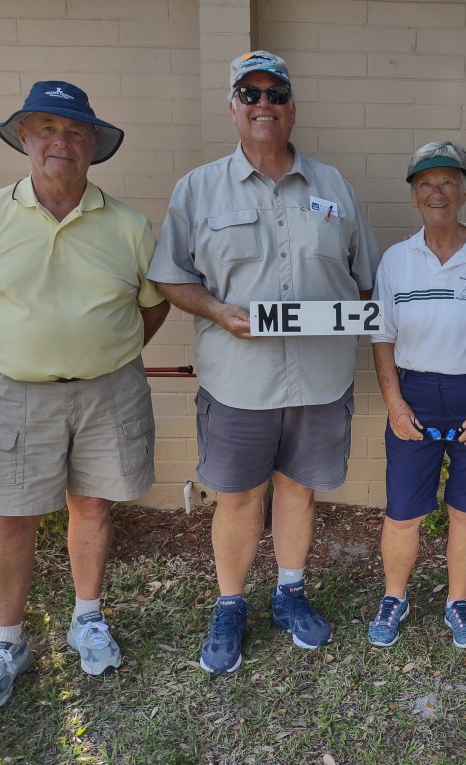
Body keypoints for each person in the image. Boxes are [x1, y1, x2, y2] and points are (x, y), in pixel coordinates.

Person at [147, 51, 380, 674]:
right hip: (238, 381)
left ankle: (289, 593)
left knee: (299, 492)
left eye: (275, 93)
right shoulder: (197, 189)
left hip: (320, 380)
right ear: (232, 107)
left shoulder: (335, 187)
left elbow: (365, 281)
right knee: (238, 497)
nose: (263, 104)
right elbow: (170, 276)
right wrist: (217, 311)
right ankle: (230, 604)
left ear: (292, 108)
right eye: (249, 94)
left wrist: (354, 318)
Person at [0, 81, 170, 714]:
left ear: (93, 144)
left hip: (108, 391)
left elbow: (151, 309)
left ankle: (87, 617)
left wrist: (97, 349)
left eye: (75, 130)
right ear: (23, 137)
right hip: (21, 394)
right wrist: (29, 348)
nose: (60, 141)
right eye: (46, 127)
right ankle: (7, 641)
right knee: (12, 516)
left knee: (93, 505)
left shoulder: (129, 225)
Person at [367, 142, 466, 650]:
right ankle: (395, 597)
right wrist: (394, 403)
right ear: (414, 196)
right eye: (426, 184)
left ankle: (457, 600)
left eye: (448, 182)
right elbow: (382, 338)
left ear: (464, 192)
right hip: (414, 394)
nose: (438, 193)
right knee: (402, 511)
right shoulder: (396, 259)